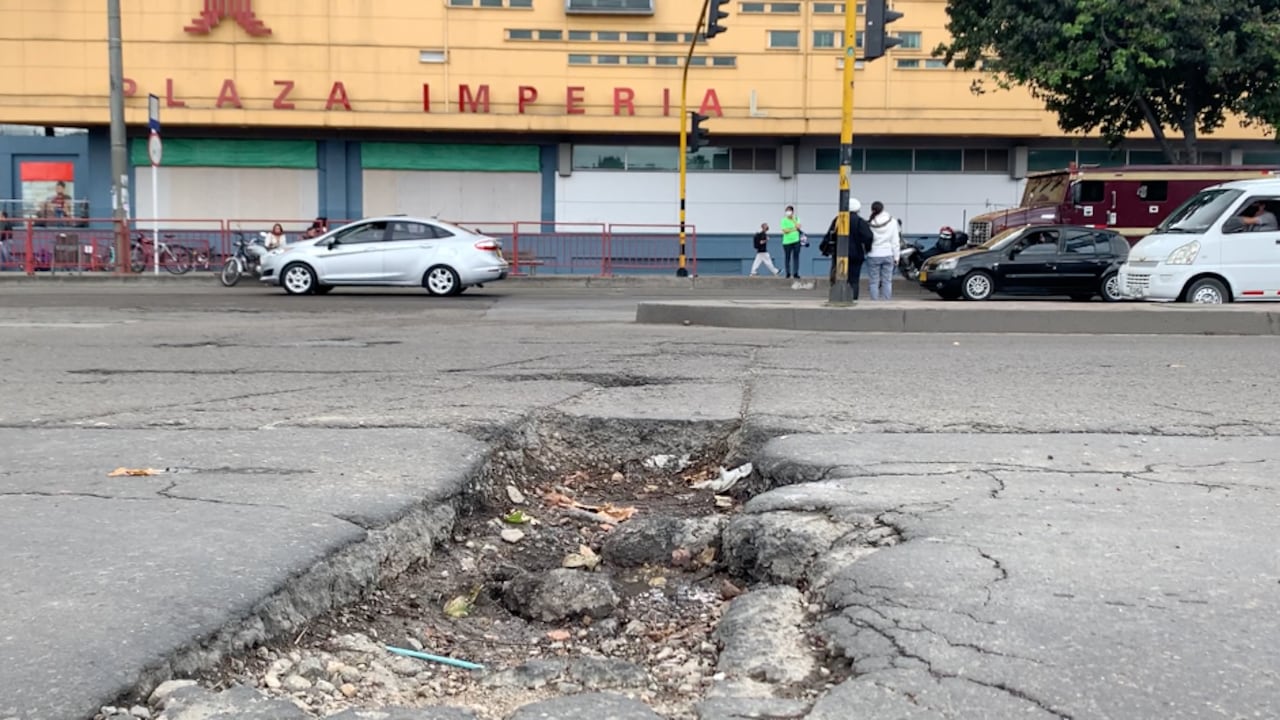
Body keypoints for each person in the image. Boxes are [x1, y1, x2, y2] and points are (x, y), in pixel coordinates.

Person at [822, 198, 874, 299]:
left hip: (839, 254)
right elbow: (868, 236)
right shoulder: (859, 221)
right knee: (854, 280)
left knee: (839, 277)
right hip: (856, 255)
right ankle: (853, 298)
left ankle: (838, 297)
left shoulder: (838, 220)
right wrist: (867, 248)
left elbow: (829, 236)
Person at [866, 201, 902, 300]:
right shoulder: (892, 221)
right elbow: (895, 241)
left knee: (874, 281)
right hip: (888, 254)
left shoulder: (870, 222)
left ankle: (874, 301)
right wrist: (896, 257)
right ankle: (886, 301)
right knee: (887, 281)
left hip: (873, 254)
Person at [780, 205, 803, 279]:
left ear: (792, 212)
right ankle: (788, 273)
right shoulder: (783, 220)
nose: (788, 213)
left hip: (796, 241)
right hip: (787, 242)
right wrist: (794, 229)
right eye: (786, 211)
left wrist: (793, 221)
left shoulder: (796, 219)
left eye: (789, 211)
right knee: (787, 257)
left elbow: (799, 227)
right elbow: (785, 230)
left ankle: (795, 273)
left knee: (796, 257)